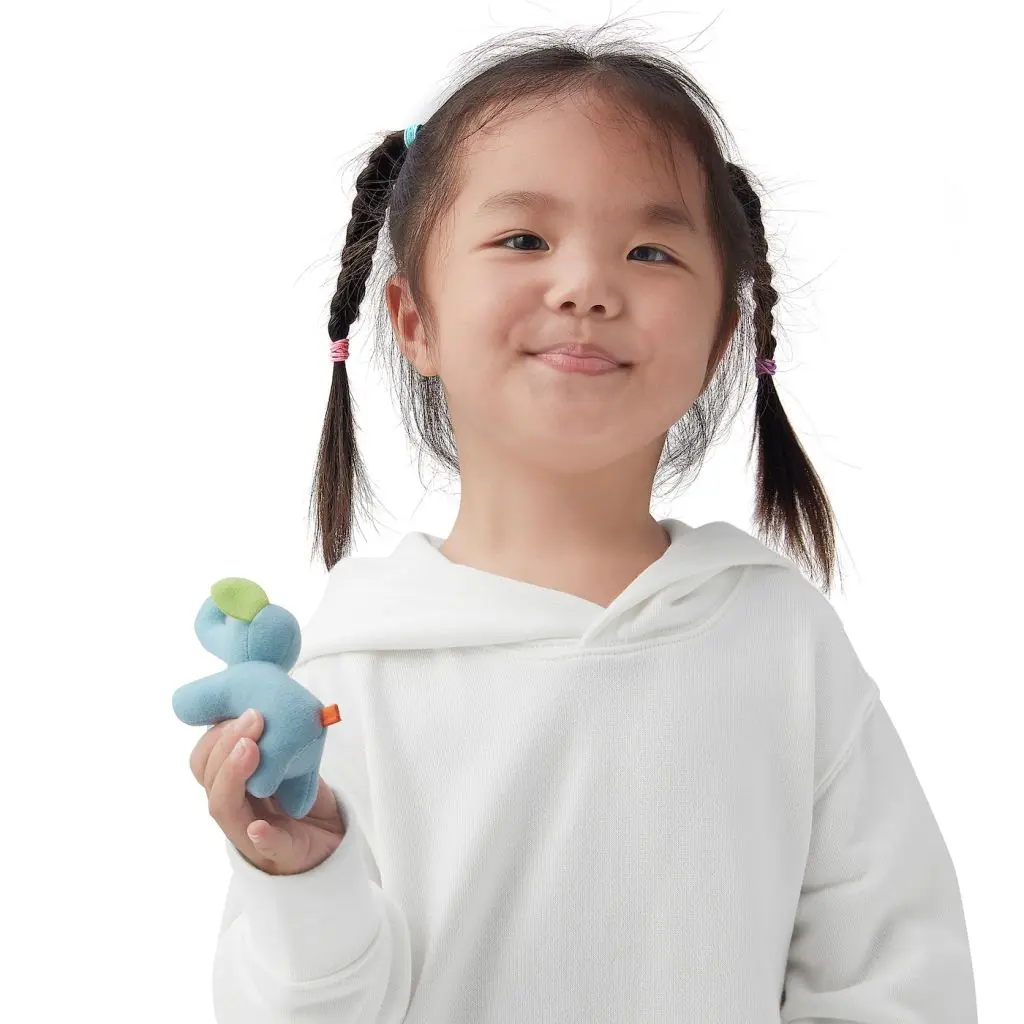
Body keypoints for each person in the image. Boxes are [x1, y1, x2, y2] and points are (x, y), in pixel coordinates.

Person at [195, 24, 978, 1024]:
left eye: (650, 250)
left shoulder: (782, 641)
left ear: (719, 340)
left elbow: (898, 979)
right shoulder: (353, 674)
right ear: (413, 320)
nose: (586, 287)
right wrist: (304, 878)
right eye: (524, 239)